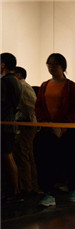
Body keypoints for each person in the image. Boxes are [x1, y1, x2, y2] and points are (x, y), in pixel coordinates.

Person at [34, 53, 75, 206]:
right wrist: (46, 123)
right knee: (47, 163)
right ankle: (49, 194)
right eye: (49, 64)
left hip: (68, 131)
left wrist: (63, 127)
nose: (51, 67)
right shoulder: (44, 86)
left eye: (55, 64)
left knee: (71, 161)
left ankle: (73, 189)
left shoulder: (73, 87)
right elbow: (39, 107)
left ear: (63, 66)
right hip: (48, 131)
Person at [14, 66, 40, 196]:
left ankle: (27, 187)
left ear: (18, 75)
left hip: (26, 125)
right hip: (30, 124)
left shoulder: (21, 86)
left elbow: (29, 108)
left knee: (23, 155)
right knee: (28, 155)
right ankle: (32, 186)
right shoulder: (25, 86)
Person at [1, 53, 22, 202]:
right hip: (10, 123)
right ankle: (14, 190)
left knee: (7, 157)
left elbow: (2, 104)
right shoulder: (15, 81)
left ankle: (13, 191)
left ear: (3, 64)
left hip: (4, 125)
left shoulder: (5, 81)